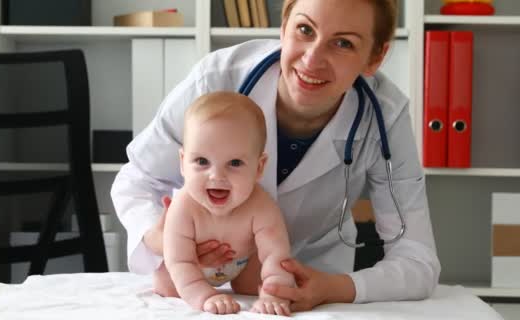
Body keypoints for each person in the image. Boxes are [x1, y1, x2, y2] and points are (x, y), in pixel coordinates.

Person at [112, 0, 441, 311]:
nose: (312, 59)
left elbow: (417, 260)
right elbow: (136, 180)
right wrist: (164, 242)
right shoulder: (217, 79)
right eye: (305, 30)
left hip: (310, 278)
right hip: (196, 281)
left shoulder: (384, 116)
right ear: (284, 26)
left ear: (375, 57)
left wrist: (332, 287)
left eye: (343, 43)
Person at [154, 92, 295, 315]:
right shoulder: (183, 206)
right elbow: (180, 261)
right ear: (183, 163)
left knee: (253, 285)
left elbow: (275, 255)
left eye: (235, 163)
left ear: (259, 167)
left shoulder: (262, 206)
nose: (216, 176)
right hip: (191, 264)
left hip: (241, 263)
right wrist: (205, 296)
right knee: (167, 285)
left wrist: (274, 294)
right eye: (202, 161)